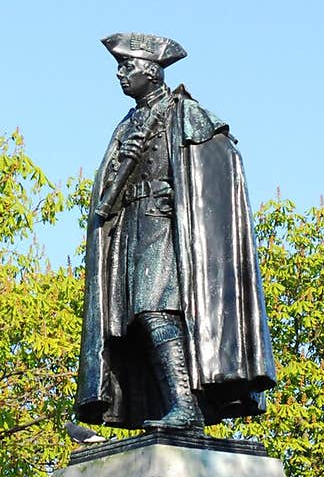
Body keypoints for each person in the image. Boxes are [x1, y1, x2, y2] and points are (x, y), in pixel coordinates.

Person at [74, 32, 276, 432]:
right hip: (131, 228)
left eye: (126, 67)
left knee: (155, 311)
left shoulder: (185, 113)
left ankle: (185, 406)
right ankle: (171, 404)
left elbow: (219, 168)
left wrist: (178, 198)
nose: (120, 74)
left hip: (167, 228)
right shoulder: (128, 123)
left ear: (151, 71)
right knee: (131, 321)